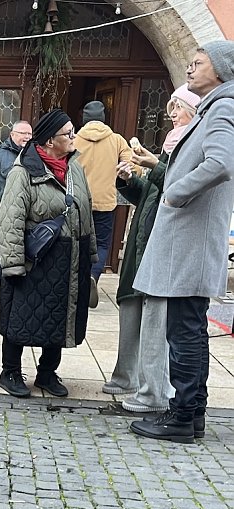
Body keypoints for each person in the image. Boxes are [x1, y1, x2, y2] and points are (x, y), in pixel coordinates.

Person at [130, 41, 234, 444]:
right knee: (188, 328)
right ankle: (192, 415)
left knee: (184, 331)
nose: (189, 69)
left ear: (220, 69)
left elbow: (221, 163)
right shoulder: (215, 107)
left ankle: (182, 417)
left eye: (197, 63)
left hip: (191, 240)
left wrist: (175, 193)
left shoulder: (222, 107)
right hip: (190, 240)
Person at [103, 84, 200, 414]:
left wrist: (155, 165)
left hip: (164, 252)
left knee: (156, 326)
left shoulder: (191, 148)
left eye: (178, 108)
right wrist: (130, 180)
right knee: (131, 312)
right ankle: (126, 377)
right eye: (171, 107)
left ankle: (153, 393)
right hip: (142, 247)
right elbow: (151, 194)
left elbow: (177, 189)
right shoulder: (173, 146)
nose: (172, 114)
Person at [0, 109, 97, 398]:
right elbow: (10, 219)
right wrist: (13, 264)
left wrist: (90, 253)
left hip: (69, 258)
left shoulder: (75, 169)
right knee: (20, 316)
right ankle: (10, 372)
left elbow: (86, 210)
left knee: (60, 316)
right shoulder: (23, 172)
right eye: (68, 133)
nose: (74, 137)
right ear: (50, 140)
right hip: (35, 260)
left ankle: (47, 372)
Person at [74, 100, 133, 306]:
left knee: (78, 243)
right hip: (105, 202)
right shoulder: (116, 140)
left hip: (79, 202)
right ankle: (93, 274)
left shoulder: (74, 139)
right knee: (101, 244)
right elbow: (132, 165)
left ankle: (78, 283)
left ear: (84, 119)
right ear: (103, 118)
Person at [0, 121, 33, 298]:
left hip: (25, 211)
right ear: (12, 134)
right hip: (1, 211)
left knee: (21, 247)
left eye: (29, 134)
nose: (26, 137)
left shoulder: (34, 156)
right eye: (23, 133)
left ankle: (16, 283)